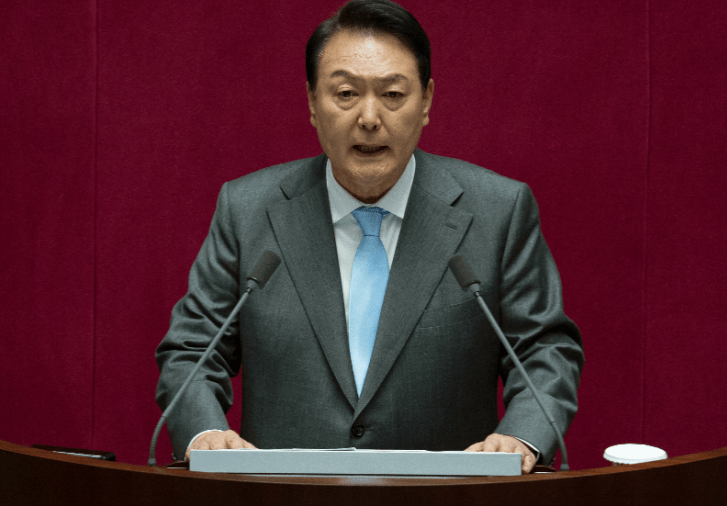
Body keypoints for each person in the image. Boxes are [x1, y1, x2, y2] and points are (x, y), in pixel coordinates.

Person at [156, 0, 583, 474]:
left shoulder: (498, 211)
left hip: (450, 498)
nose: (369, 117)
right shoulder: (248, 210)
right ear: (313, 104)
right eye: (345, 93)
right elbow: (193, 350)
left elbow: (545, 349)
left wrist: (520, 436)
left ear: (426, 102)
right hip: (282, 495)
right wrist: (204, 433)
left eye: (393, 95)